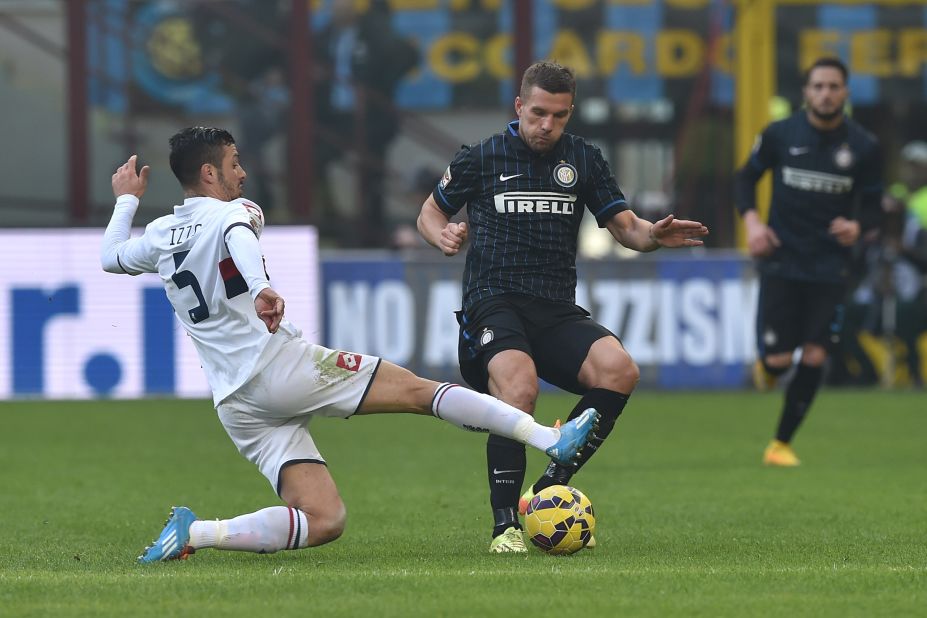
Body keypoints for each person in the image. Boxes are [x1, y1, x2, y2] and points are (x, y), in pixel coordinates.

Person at [100, 127, 599, 563]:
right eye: (235, 164)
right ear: (210, 173)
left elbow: (111, 256)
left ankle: (196, 532)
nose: (244, 174)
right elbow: (238, 239)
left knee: (324, 518)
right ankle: (548, 439)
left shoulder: (163, 234)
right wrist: (260, 289)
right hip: (277, 367)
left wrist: (127, 199)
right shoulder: (235, 213)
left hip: (235, 402)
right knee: (421, 392)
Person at [416, 62, 709, 553]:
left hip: (554, 307)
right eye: (537, 113)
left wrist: (653, 235)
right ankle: (504, 526)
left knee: (619, 370)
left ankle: (547, 490)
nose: (546, 125)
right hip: (494, 302)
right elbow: (430, 211)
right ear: (519, 107)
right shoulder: (482, 158)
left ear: (569, 113)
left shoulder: (584, 160)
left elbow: (626, 227)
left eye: (558, 115)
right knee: (519, 387)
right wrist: (441, 235)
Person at [735, 57, 883, 466]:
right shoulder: (780, 135)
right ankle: (769, 366)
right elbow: (745, 178)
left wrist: (857, 226)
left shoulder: (864, 147)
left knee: (816, 354)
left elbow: (875, 207)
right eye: (818, 86)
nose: (826, 93)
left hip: (831, 267)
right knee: (779, 362)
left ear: (845, 92)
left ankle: (780, 444)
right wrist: (753, 225)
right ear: (806, 92)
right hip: (782, 261)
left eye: (834, 86)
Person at [314, 0, 419, 246]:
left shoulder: (373, 31)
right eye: (334, 5)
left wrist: (381, 85)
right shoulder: (324, 36)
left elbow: (407, 54)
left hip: (371, 118)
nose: (339, 8)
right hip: (334, 117)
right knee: (314, 159)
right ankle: (331, 221)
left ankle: (374, 229)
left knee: (372, 174)